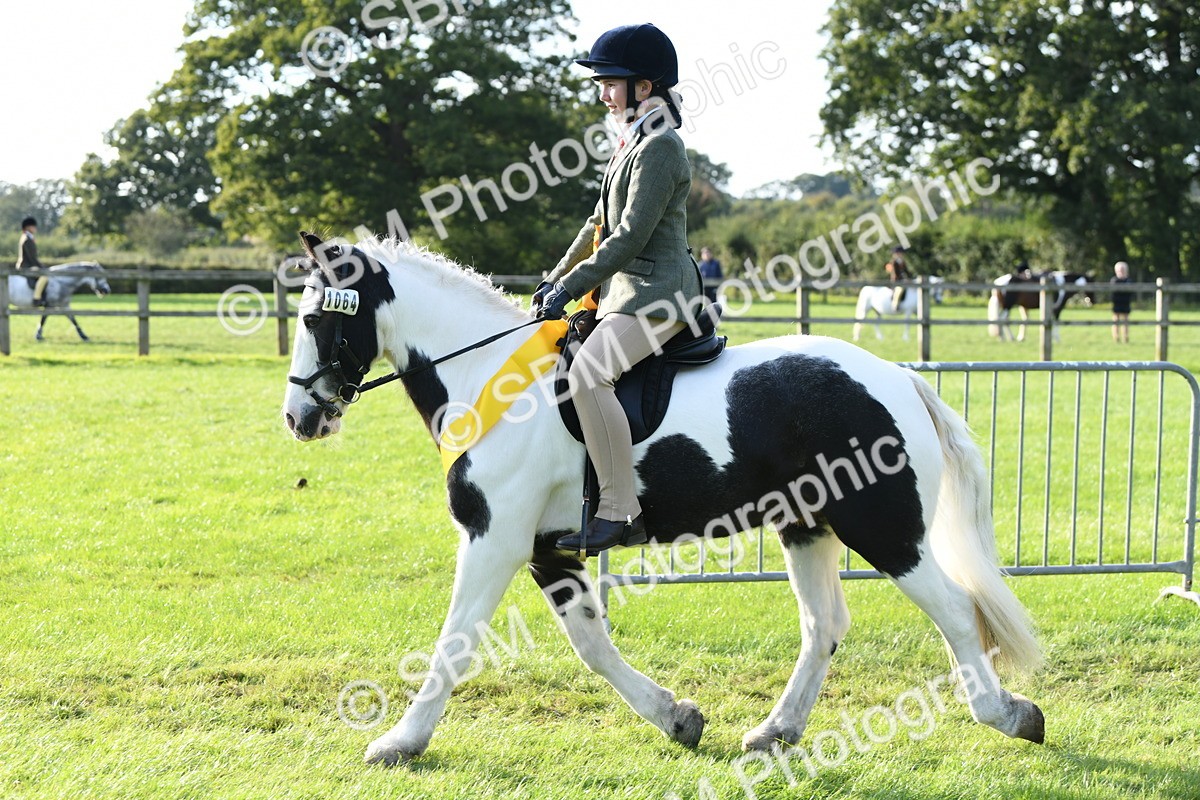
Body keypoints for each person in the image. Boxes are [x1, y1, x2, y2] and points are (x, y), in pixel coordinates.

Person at [531, 23, 701, 554]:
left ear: (644, 87)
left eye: (610, 83)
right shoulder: (631, 141)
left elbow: (628, 239)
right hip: (627, 292)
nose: (602, 94)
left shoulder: (661, 148)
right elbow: (596, 223)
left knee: (587, 376)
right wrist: (555, 278)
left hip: (659, 293)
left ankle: (620, 511)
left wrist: (571, 287)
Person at [17, 217, 48, 307]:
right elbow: (32, 258)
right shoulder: (27, 239)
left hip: (28, 265)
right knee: (44, 276)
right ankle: (36, 298)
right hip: (26, 266)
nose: (35, 228)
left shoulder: (27, 237)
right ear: (28, 227)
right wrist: (42, 267)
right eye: (33, 226)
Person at [1111, 261, 1132, 343]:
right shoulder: (1114, 280)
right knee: (1116, 320)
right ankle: (1116, 337)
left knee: (1126, 321)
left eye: (1123, 270)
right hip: (1117, 303)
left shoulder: (1129, 281)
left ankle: (1126, 337)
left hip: (1126, 303)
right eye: (1120, 270)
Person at [885, 246, 909, 311]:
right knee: (899, 290)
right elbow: (896, 273)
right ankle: (895, 305)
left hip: (902, 280)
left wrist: (909, 278)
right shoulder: (894, 262)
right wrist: (903, 279)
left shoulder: (902, 262)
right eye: (900, 253)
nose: (901, 255)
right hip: (896, 281)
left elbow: (907, 271)